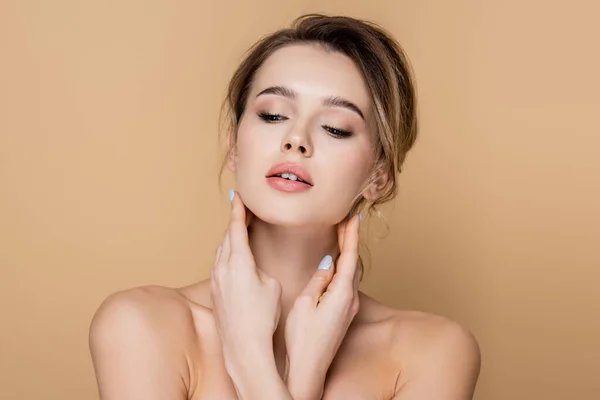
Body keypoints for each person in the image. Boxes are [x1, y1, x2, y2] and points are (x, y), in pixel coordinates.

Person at [89, 13, 481, 400]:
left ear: (379, 176)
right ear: (234, 146)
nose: (296, 138)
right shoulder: (140, 325)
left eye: (336, 128)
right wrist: (275, 368)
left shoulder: (434, 352)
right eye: (273, 115)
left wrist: (258, 366)